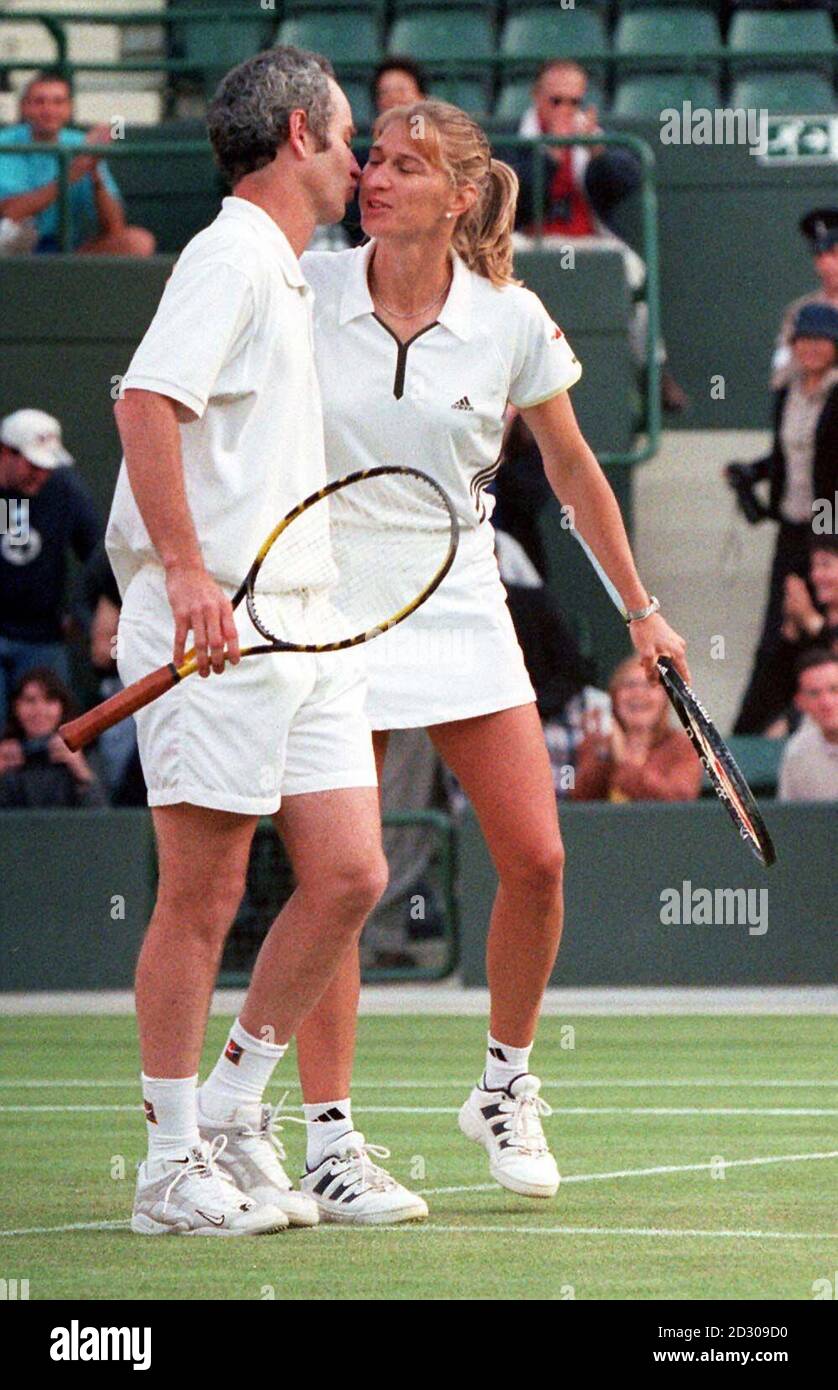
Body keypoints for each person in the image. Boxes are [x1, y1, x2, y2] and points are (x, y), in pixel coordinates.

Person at [297, 100, 690, 1216]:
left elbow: (573, 473)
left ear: (460, 195)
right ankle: (329, 1137)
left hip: (459, 599)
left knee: (538, 857)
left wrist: (644, 610)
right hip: (329, 602)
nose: (376, 177)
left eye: (407, 166)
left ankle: (504, 1084)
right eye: (371, 158)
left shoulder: (511, 319)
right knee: (337, 886)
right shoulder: (308, 287)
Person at [104, 46, 395, 1238]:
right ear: (295, 137)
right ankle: (169, 1165)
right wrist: (182, 572)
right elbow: (141, 402)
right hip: (214, 622)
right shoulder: (228, 254)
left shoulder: (281, 268)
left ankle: (233, 1106)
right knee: (204, 893)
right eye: (343, 137)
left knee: (349, 876)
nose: (355, 157)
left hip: (308, 623)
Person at [510, 60, 687, 415]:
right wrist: (552, 154)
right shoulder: (517, 142)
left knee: (633, 271)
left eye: (573, 102)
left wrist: (595, 150)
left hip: (586, 241)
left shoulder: (591, 135)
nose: (565, 110)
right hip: (528, 241)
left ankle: (652, 369)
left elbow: (625, 182)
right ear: (536, 98)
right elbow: (521, 200)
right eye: (555, 101)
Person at [733, 302, 838, 734]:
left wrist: (827, 541)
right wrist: (752, 474)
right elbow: (790, 455)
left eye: (820, 340)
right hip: (792, 526)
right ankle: (752, 735)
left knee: (824, 621)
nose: (810, 348)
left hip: (829, 527)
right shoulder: (787, 392)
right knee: (780, 630)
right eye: (803, 340)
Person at [0, 408, 101, 734]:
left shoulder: (63, 488)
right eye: (33, 465)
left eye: (47, 467)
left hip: (43, 636)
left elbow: (98, 553)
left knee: (50, 739)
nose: (41, 475)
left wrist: (84, 610)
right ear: (6, 453)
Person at [0, 71, 155, 256]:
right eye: (39, 102)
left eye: (58, 102)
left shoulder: (82, 143)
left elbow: (115, 227)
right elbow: (10, 214)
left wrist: (95, 171)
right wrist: (74, 171)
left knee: (138, 242)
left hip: (68, 251)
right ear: (24, 107)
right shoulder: (6, 143)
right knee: (12, 232)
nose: (48, 110)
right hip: (14, 251)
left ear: (69, 108)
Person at [572, 655, 702, 802]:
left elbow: (680, 799)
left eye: (650, 685)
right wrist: (606, 755)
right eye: (630, 685)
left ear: (666, 698)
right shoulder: (596, 743)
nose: (639, 693)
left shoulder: (683, 746)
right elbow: (580, 800)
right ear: (614, 696)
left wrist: (623, 761)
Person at [0, 666, 106, 809]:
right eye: (30, 700)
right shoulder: (4, 751)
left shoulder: (86, 751)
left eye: (49, 701)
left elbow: (105, 820)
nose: (39, 710)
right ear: (15, 707)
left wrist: (81, 771)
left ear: (62, 707)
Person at [772, 208, 838, 389]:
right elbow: (781, 373)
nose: (827, 264)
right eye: (819, 256)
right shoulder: (799, 310)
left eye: (834, 254)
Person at [778, 651, 838, 801]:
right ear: (800, 702)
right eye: (814, 693)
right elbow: (790, 818)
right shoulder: (797, 753)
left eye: (834, 690)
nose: (826, 702)